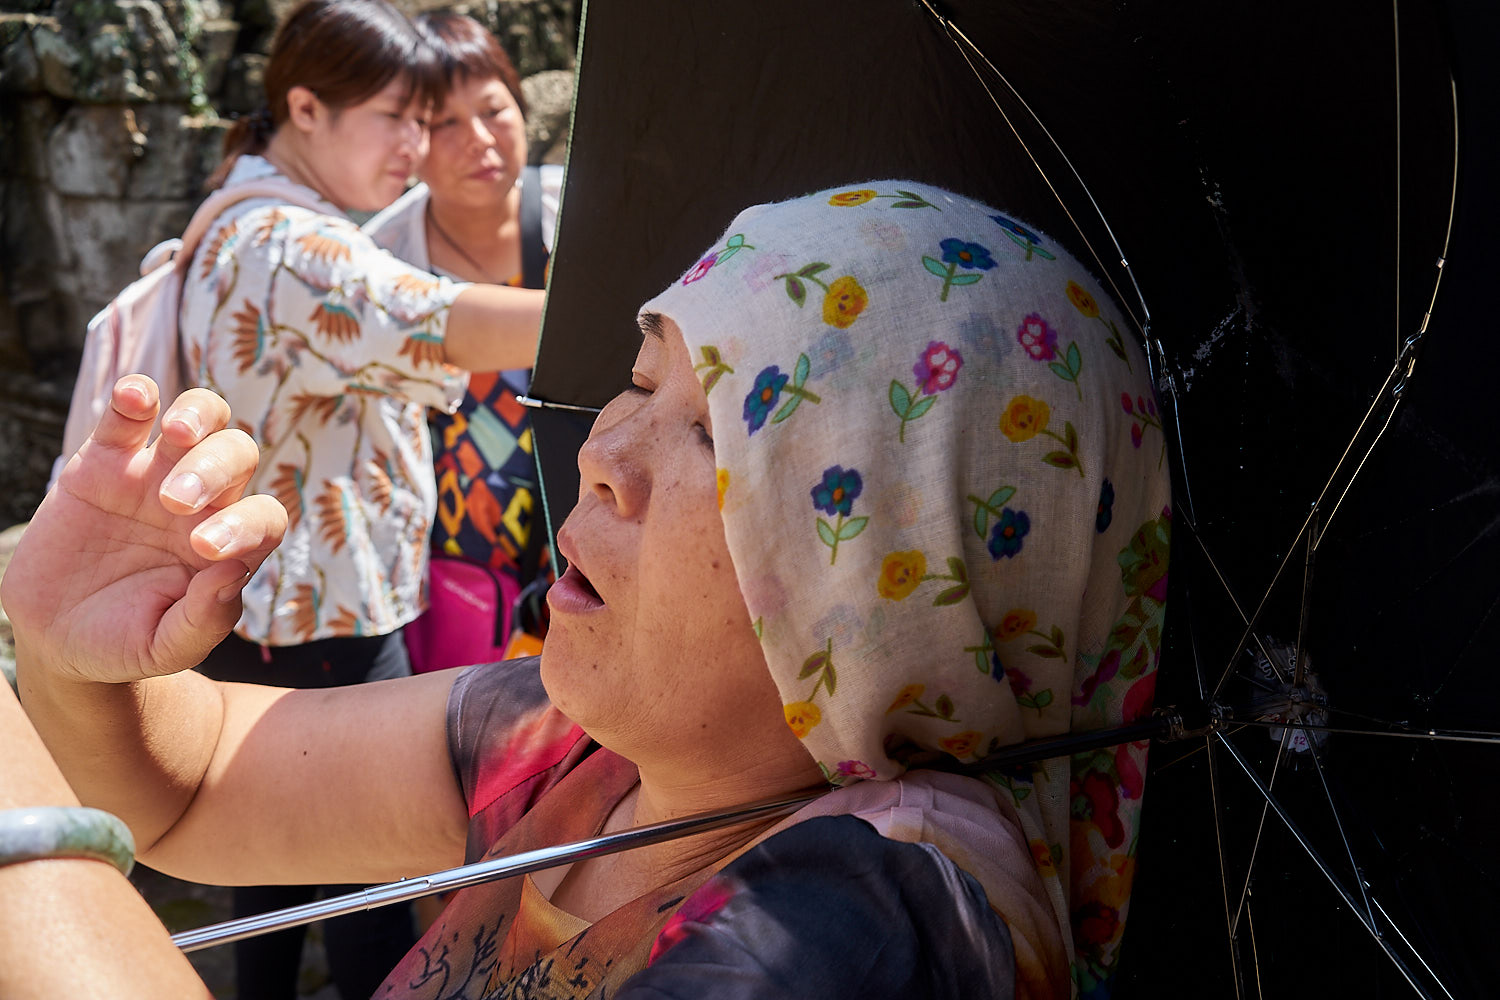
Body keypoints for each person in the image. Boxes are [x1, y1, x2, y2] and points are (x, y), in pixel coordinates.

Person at [3, 181, 1170, 999]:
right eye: (640, 377)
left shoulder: (881, 917)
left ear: (907, 578)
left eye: (717, 433)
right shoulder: (587, 754)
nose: (605, 453)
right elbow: (198, 784)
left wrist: (19, 831)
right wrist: (65, 656)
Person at [176, 0, 547, 994]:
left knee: (270, 866)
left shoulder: (254, 213)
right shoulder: (290, 243)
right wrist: (662, 314)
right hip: (324, 617)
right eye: (397, 116)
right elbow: (436, 321)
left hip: (278, 603)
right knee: (368, 892)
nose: (415, 145)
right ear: (306, 108)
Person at [362, 11, 563, 669]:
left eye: (493, 109)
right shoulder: (379, 260)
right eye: (444, 122)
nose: (479, 139)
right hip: (443, 570)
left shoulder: (581, 220)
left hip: (576, 547)